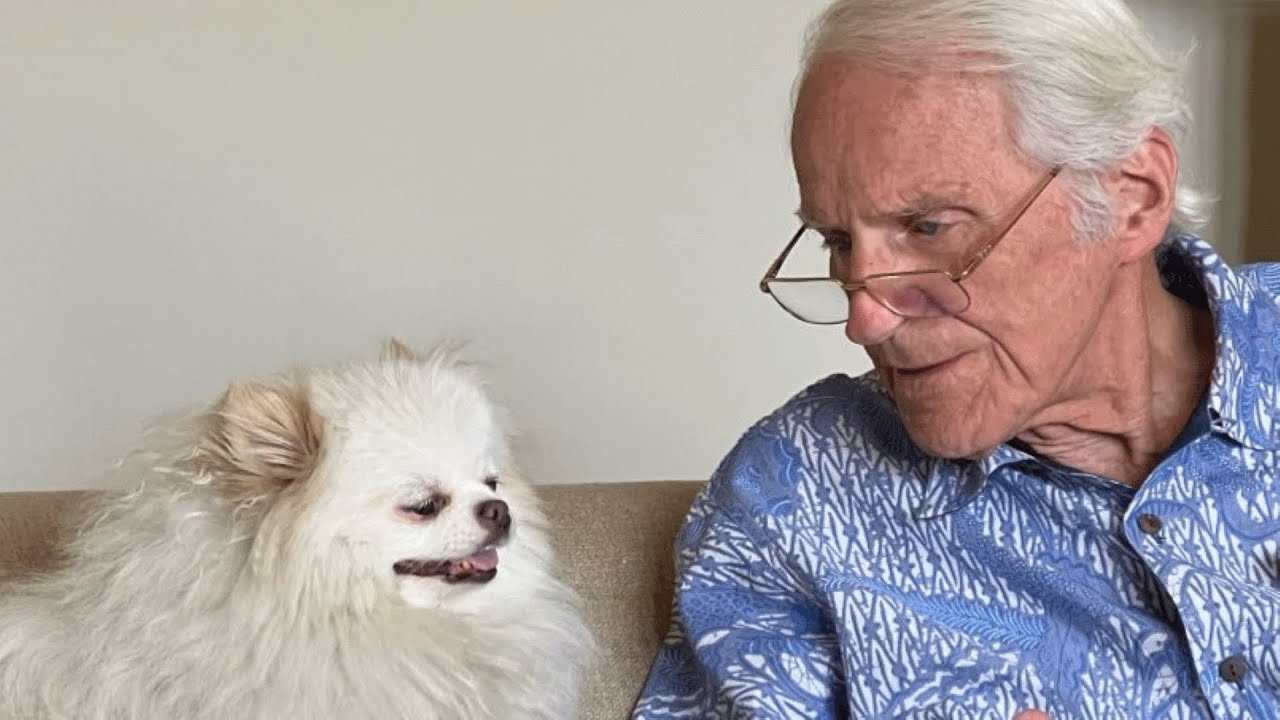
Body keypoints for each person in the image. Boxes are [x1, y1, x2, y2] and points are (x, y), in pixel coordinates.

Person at [631, 0, 1279, 718]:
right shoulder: (797, 497)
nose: (864, 316)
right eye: (838, 242)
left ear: (1131, 197)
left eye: (929, 227)